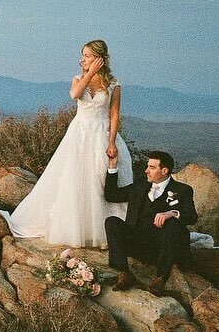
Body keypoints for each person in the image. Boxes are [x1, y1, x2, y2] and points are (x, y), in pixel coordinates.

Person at [8, 40, 133, 247]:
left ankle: (105, 230)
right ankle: (76, 228)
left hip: (101, 133)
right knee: (76, 179)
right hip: (79, 134)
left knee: (100, 180)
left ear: (100, 58)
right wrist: (90, 73)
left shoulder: (113, 84)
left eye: (88, 56)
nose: (82, 59)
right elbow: (74, 95)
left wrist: (112, 141)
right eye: (83, 55)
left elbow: (114, 114)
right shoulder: (78, 79)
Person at [104, 150, 197, 295]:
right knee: (112, 222)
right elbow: (111, 195)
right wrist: (112, 166)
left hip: (164, 248)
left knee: (173, 224)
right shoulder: (140, 186)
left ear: (164, 170)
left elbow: (192, 217)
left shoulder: (183, 190)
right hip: (139, 245)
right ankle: (124, 272)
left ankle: (160, 278)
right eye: (147, 166)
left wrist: (171, 213)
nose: (146, 170)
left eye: (152, 167)